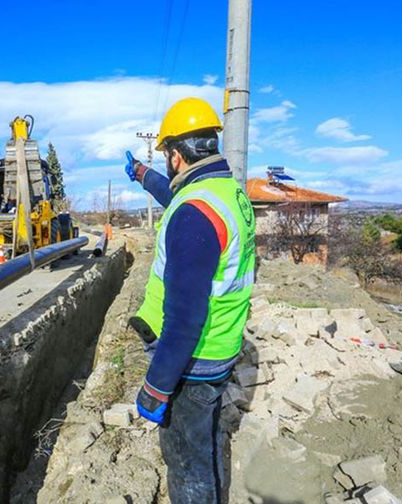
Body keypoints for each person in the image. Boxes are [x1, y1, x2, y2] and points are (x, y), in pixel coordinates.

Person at [125, 97, 256, 503]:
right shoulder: (226, 193)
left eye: (166, 155)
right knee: (208, 440)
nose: (166, 162)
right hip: (223, 345)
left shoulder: (194, 215)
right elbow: (176, 196)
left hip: (195, 359)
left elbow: (184, 318)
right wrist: (142, 174)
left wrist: (157, 387)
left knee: (186, 458)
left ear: (177, 156)